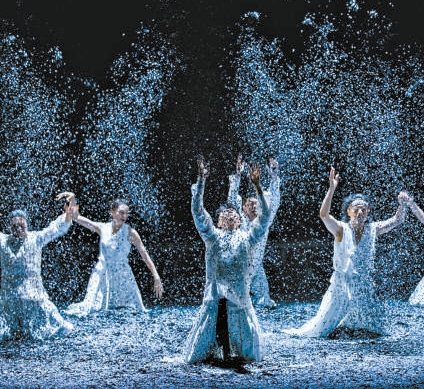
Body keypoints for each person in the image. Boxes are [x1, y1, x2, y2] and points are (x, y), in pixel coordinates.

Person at [283, 167, 407, 338]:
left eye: (364, 209)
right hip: (342, 285)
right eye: (355, 208)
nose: (360, 212)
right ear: (348, 212)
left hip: (362, 284)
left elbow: (397, 220)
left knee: (371, 328)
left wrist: (402, 204)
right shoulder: (341, 229)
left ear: (368, 213)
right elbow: (324, 215)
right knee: (320, 328)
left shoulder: (372, 229)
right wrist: (331, 189)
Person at [0, 183, 76, 342]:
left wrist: (70, 206)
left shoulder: (36, 239)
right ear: (9, 228)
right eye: (14, 226)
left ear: (27, 225)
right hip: (11, 300)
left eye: (22, 225)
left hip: (35, 298)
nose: (18, 229)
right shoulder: (3, 241)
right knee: (5, 338)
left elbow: (57, 228)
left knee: (61, 328)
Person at [183, 156, 273, 365]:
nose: (230, 215)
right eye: (225, 214)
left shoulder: (247, 238)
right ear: (218, 221)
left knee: (248, 357)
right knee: (200, 357)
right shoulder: (212, 236)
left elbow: (264, 219)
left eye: (233, 213)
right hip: (215, 299)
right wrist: (201, 181)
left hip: (239, 300)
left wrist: (258, 188)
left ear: (240, 220)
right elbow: (198, 212)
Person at [62, 196, 163, 317]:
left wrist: (156, 277)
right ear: (112, 212)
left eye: (126, 213)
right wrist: (73, 204)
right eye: (121, 212)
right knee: (93, 310)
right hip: (102, 273)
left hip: (122, 274)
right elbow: (78, 218)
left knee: (132, 311)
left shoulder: (131, 233)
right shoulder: (103, 228)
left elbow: (145, 256)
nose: (124, 216)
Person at [227, 154, 280, 308]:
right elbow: (232, 200)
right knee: (235, 302)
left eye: (256, 204)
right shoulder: (240, 221)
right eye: (250, 204)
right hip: (240, 267)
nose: (253, 206)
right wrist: (238, 175)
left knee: (266, 303)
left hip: (257, 267)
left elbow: (274, 202)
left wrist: (274, 178)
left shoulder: (264, 222)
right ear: (244, 208)